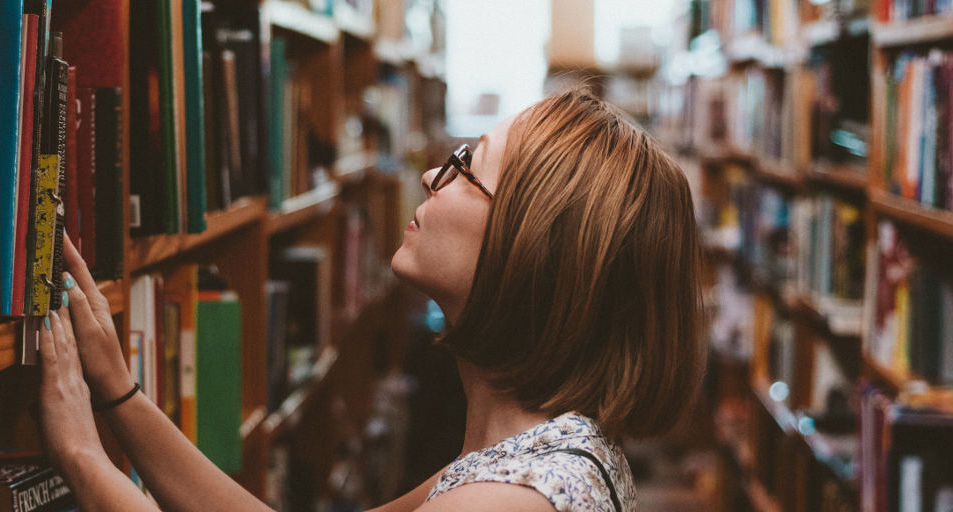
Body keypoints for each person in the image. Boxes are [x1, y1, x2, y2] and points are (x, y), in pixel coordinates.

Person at [38, 88, 706, 512]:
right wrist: (121, 396)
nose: (429, 175)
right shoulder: (526, 455)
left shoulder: (502, 500)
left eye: (466, 166)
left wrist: (82, 458)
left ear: (530, 246)